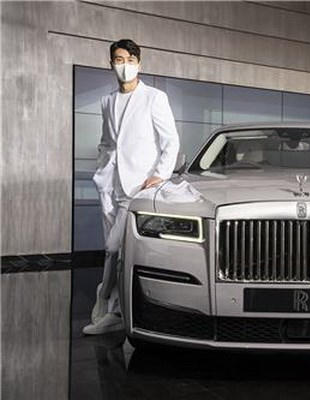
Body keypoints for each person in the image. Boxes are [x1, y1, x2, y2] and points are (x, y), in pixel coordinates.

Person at [83, 39, 180, 335]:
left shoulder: (154, 97)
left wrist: (160, 175)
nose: (123, 65)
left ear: (138, 63)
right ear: (111, 63)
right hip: (109, 185)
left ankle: (103, 297)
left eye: (129, 59)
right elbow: (106, 142)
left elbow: (170, 141)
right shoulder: (107, 101)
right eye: (118, 59)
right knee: (114, 250)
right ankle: (116, 314)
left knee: (113, 248)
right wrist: (101, 172)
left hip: (138, 186)